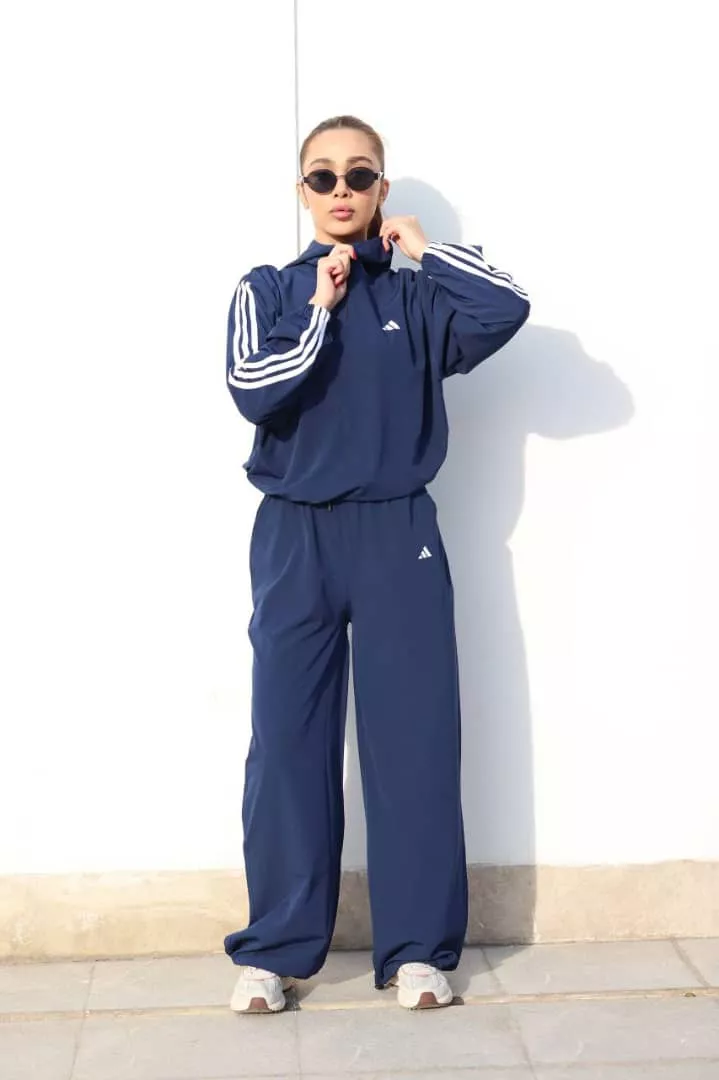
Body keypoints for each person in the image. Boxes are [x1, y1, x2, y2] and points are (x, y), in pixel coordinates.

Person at [223, 115, 530, 1013]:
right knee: (287, 742)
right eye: (323, 176)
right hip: (295, 535)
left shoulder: (416, 298)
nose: (341, 189)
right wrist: (320, 308)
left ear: (380, 189)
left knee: (414, 740)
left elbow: (505, 307)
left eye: (359, 175)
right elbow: (253, 388)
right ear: (302, 191)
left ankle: (417, 951)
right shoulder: (268, 289)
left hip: (399, 532)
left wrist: (425, 252)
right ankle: (276, 952)